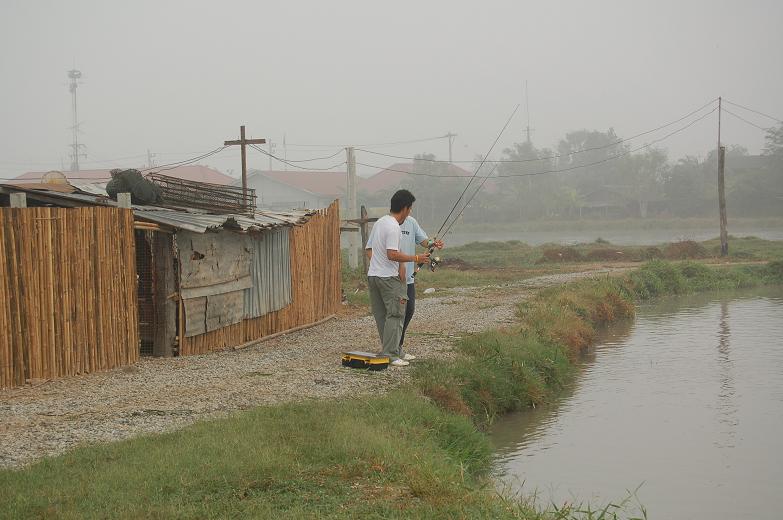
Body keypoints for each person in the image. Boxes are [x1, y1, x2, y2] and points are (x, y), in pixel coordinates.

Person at [366, 212, 443, 362]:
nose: (409, 211)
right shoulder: (386, 225)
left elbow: (424, 241)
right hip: (392, 278)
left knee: (408, 311)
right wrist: (382, 265)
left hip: (407, 278)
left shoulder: (411, 222)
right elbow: (371, 250)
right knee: (393, 314)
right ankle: (392, 350)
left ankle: (396, 347)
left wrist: (433, 244)